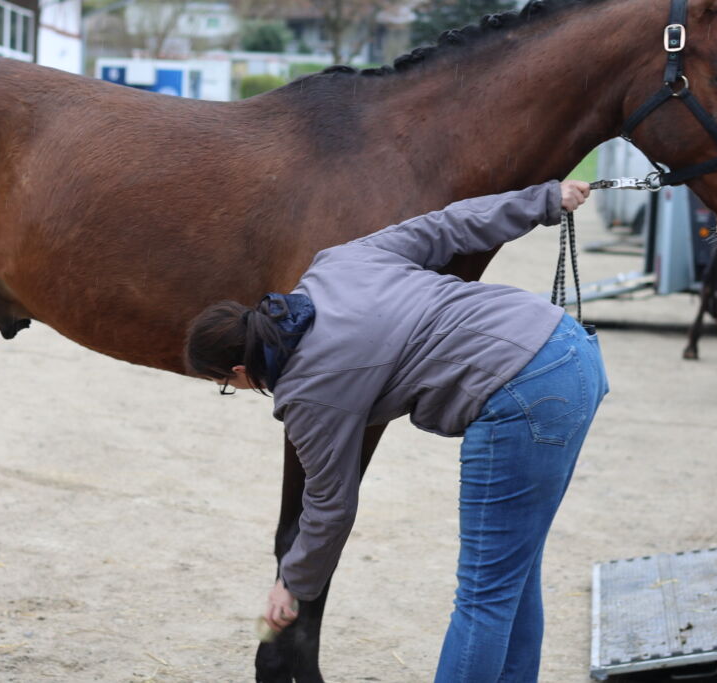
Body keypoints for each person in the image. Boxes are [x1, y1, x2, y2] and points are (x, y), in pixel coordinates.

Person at [184, 179, 607, 682]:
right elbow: (448, 225)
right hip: (567, 347)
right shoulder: (335, 264)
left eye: (225, 386)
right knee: (512, 575)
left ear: (238, 371)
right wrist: (543, 201)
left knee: (484, 594)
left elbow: (330, 506)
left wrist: (290, 584)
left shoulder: (307, 395)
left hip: (523, 392)